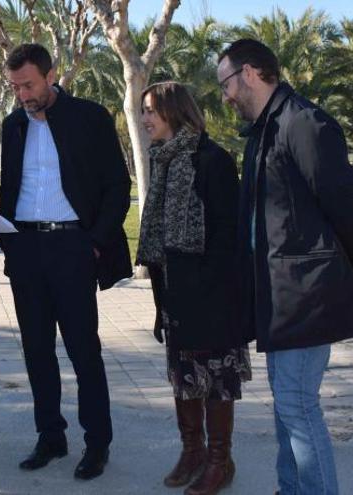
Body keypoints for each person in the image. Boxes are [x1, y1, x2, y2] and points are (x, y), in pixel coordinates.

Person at [217, 39, 353, 495]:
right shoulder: (265, 128)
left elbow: (343, 203)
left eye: (226, 82)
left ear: (248, 73)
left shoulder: (304, 123)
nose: (225, 95)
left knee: (299, 406)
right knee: (287, 407)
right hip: (277, 295)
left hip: (304, 293)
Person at [0, 43, 131, 481]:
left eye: (29, 84)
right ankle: (50, 436)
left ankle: (98, 443)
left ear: (51, 75)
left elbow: (116, 186)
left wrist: (94, 243)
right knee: (36, 350)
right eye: (16, 86)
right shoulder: (12, 125)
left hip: (74, 248)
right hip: (26, 251)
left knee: (82, 350)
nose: (22, 94)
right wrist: (9, 245)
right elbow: (10, 190)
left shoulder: (90, 117)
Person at [136, 81, 252, 495]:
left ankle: (220, 460)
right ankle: (193, 451)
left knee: (216, 377)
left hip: (211, 291)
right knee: (183, 373)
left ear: (174, 111)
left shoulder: (211, 159)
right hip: (174, 289)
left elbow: (228, 233)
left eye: (150, 110)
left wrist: (209, 288)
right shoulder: (163, 161)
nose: (145, 119)